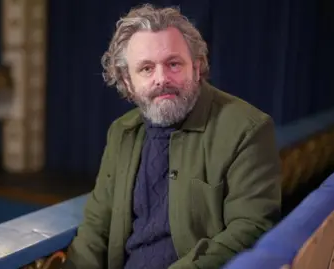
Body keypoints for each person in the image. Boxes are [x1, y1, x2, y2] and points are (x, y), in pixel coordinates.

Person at [63, 4, 282, 269]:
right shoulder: (121, 132)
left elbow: (250, 228)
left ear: (197, 67)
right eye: (146, 68)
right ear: (128, 82)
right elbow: (95, 229)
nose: (162, 78)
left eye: (173, 64)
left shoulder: (247, 129)